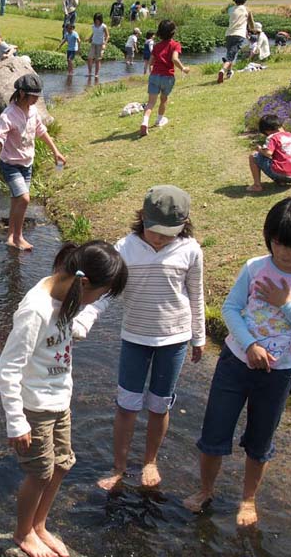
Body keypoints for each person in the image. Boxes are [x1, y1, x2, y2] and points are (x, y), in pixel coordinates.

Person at [184, 198, 291, 528]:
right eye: (277, 242)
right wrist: (249, 344)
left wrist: (288, 303)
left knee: (260, 441)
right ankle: (205, 490)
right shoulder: (255, 267)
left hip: (276, 375)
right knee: (214, 433)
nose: (283, 251)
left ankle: (248, 499)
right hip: (235, 363)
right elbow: (230, 309)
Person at [0, 240, 127, 557]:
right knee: (39, 473)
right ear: (84, 282)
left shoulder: (67, 294)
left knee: (62, 465)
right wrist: (16, 421)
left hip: (59, 400)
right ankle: (22, 532)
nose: (94, 302)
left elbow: (63, 334)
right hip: (35, 407)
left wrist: (83, 320)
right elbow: (7, 369)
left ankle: (39, 525)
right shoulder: (35, 309)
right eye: (98, 295)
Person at [93, 185, 205, 491]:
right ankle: (118, 467)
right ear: (142, 218)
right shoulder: (125, 247)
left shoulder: (191, 249)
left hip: (175, 339)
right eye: (155, 231)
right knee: (127, 404)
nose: (160, 239)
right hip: (134, 337)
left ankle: (150, 460)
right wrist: (87, 314)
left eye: (168, 233)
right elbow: (108, 291)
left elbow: (196, 295)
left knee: (159, 404)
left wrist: (198, 337)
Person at [0, 74, 66, 251]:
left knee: (17, 201)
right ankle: (18, 237)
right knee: (24, 198)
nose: (37, 98)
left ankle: (11, 237)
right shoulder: (8, 115)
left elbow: (41, 131)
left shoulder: (33, 111)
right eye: (33, 95)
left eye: (38, 95)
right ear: (22, 93)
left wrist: (56, 152)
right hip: (10, 165)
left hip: (27, 163)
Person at [139, 21, 189, 136]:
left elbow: (151, 62)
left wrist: (152, 70)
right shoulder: (175, 45)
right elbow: (175, 59)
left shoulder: (156, 46)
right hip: (167, 77)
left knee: (150, 102)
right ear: (173, 33)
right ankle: (159, 120)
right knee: (164, 99)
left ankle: (144, 122)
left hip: (155, 76)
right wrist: (183, 68)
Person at [247, 114, 291, 192]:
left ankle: (257, 185)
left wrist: (259, 149)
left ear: (267, 130)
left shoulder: (273, 137)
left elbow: (268, 153)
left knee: (253, 156)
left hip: (281, 172)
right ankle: (282, 181)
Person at [218, 0, 255, 83]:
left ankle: (229, 72)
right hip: (239, 35)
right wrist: (252, 30)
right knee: (231, 56)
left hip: (228, 34)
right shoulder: (247, 10)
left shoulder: (230, 9)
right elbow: (252, 24)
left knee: (230, 53)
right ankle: (222, 70)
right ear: (245, 0)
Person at [85, 13, 109, 79]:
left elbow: (107, 36)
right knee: (89, 58)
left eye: (98, 20)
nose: (96, 21)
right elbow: (94, 33)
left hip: (100, 44)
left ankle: (96, 74)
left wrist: (104, 44)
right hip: (93, 43)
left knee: (97, 60)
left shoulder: (104, 26)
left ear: (100, 19)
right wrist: (89, 39)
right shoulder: (93, 26)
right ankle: (90, 72)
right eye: (95, 20)